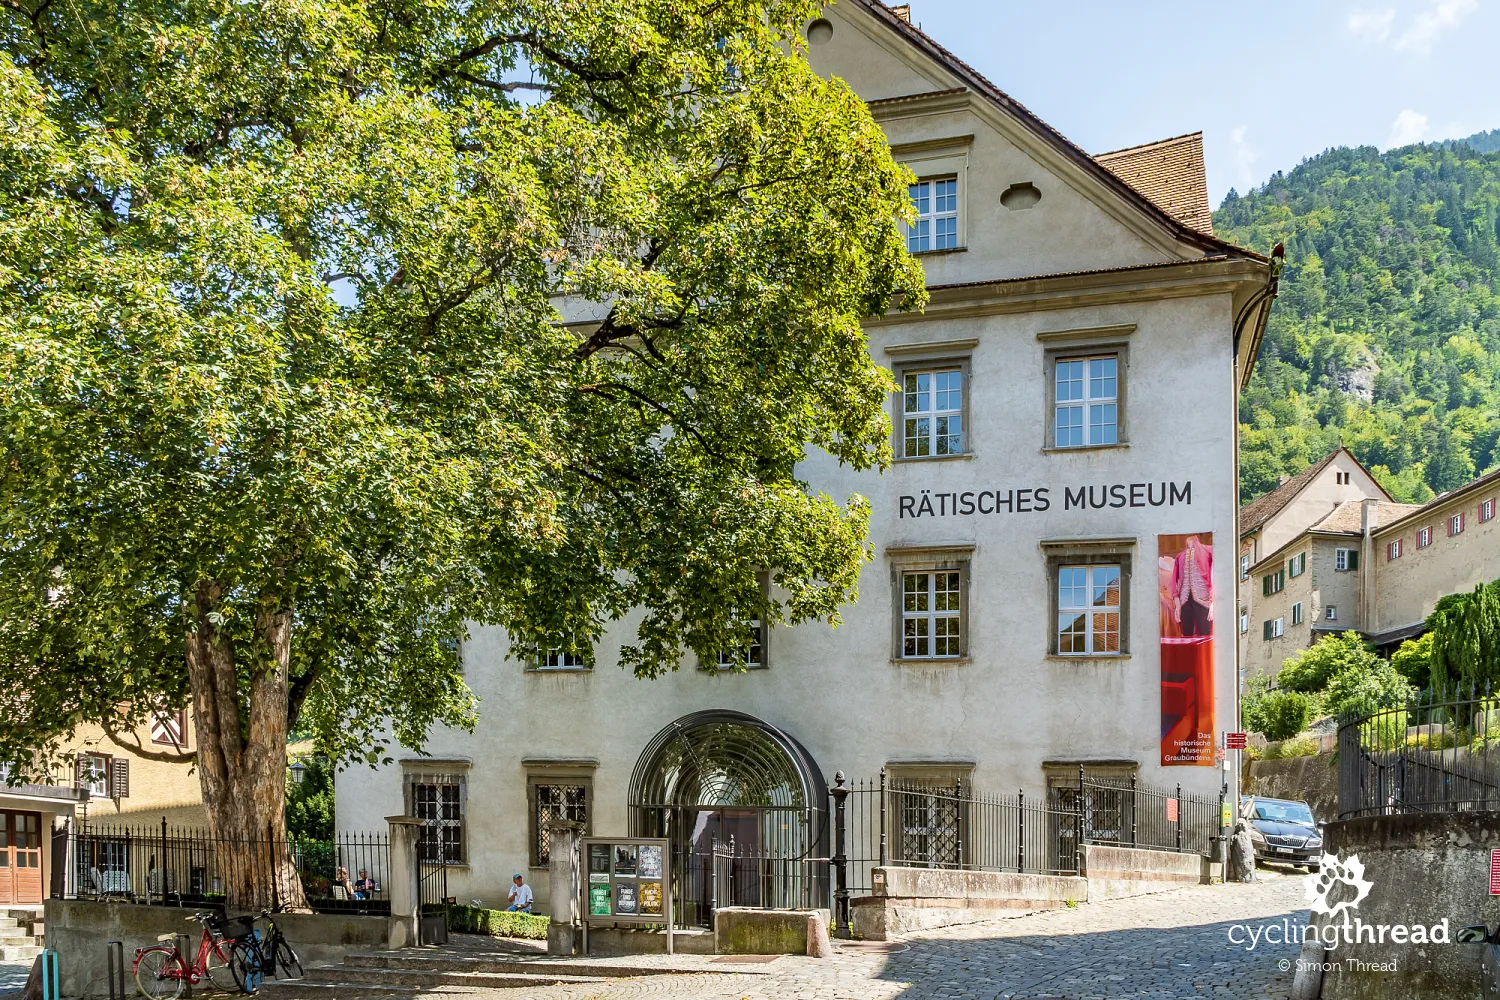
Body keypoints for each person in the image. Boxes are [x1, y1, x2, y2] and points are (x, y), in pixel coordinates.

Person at [1171, 535, 1214, 637]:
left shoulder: (1208, 550)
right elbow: (1174, 581)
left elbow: (1214, 576)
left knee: (1205, 633)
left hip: (1204, 599)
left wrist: (1213, 602)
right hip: (1184, 601)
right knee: (1186, 634)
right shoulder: (1180, 556)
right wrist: (1177, 604)